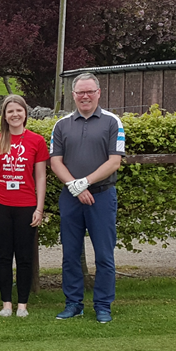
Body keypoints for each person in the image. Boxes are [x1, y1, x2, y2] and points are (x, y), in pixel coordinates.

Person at [50, 72, 125, 324]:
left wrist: (86, 182)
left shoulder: (112, 122)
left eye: (89, 91)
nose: (85, 96)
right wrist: (74, 185)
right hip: (70, 197)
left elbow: (114, 161)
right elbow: (55, 161)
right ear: (73, 95)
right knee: (70, 253)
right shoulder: (61, 125)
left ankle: (103, 305)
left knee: (104, 254)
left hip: (102, 196)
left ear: (98, 93)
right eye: (80, 92)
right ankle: (73, 304)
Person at [0, 95, 48, 318]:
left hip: (27, 205)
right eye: (10, 111)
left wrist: (39, 208)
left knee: (25, 257)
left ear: (25, 113)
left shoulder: (37, 141)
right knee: (3, 256)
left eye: (19, 110)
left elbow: (40, 177)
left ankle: (23, 305)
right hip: (0, 204)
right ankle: (6, 304)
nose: (15, 115)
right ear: (5, 116)